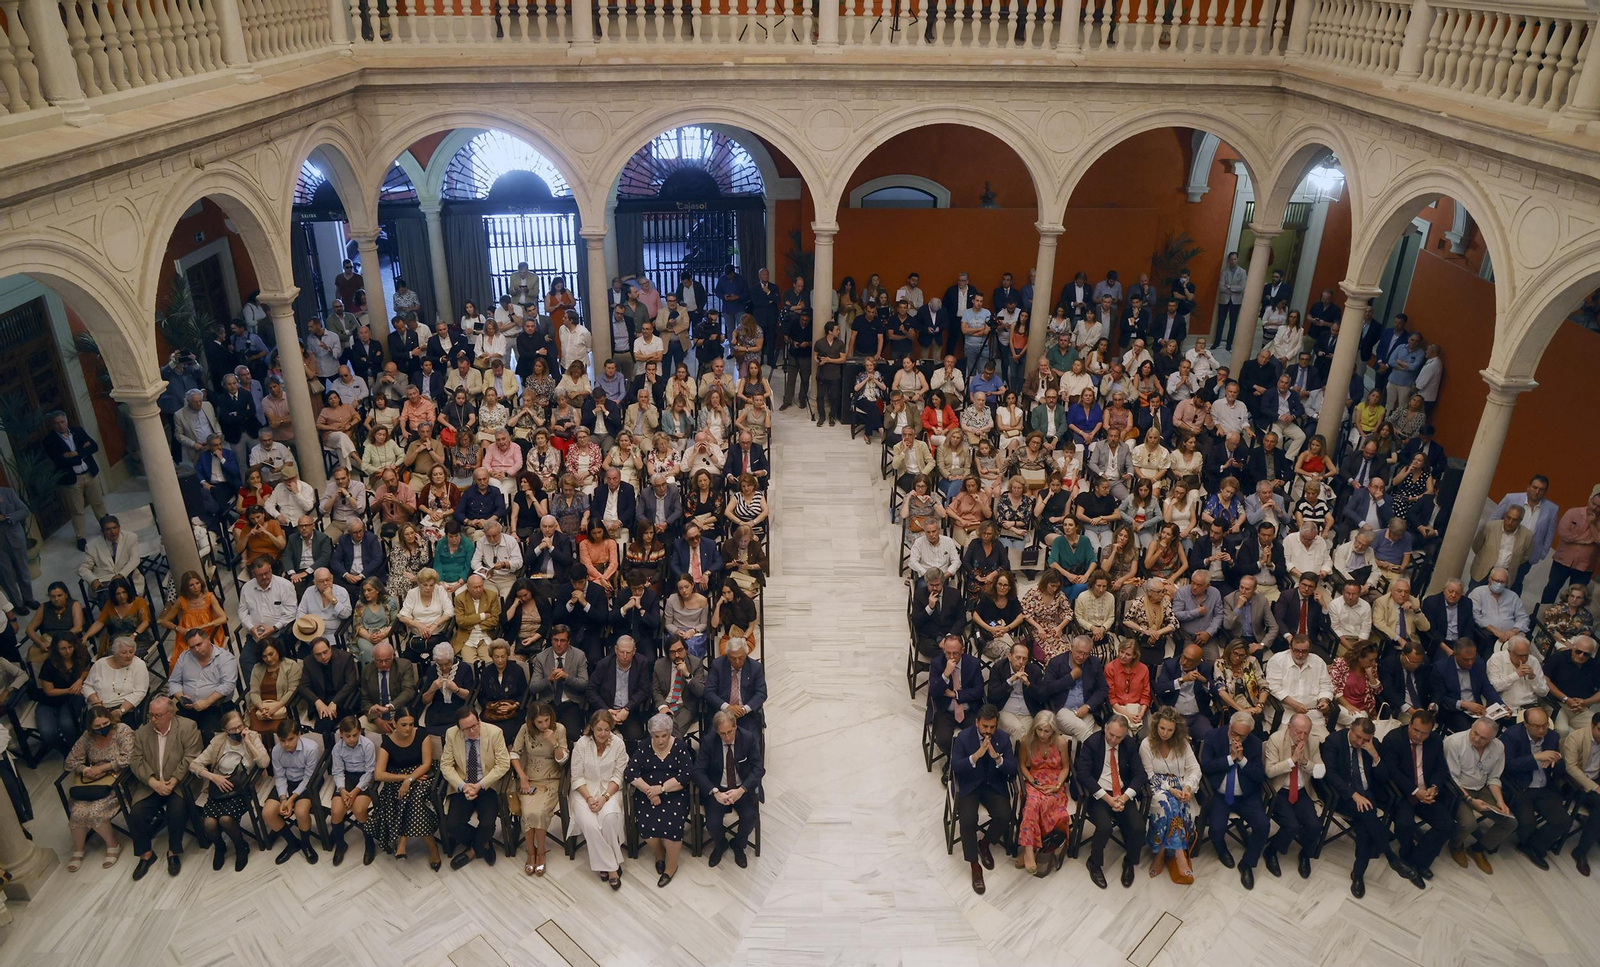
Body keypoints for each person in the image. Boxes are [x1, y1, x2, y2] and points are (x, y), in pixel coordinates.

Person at [1325, 717, 1422, 896]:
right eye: (1358, 737)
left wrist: (1375, 755)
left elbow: (1384, 777)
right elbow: (1331, 775)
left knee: (1364, 828)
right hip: (1345, 795)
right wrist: (1354, 796)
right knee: (1368, 813)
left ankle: (1358, 874)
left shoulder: (1373, 744)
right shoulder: (1334, 741)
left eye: (1365, 739)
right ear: (1351, 729)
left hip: (1368, 793)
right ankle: (1391, 857)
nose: (1360, 742)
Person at [128, 695, 203, 880]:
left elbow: (191, 756)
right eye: (150, 715)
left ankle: (173, 852)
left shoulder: (187, 727)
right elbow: (136, 760)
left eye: (158, 715)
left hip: (180, 783)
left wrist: (174, 780)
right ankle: (146, 854)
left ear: (170, 713)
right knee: (136, 813)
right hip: (152, 784)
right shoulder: (142, 733)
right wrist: (153, 782)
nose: (153, 719)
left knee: (176, 810)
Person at [190, 708, 269, 872]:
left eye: (240, 726)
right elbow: (194, 765)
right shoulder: (218, 742)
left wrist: (248, 743)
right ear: (225, 730)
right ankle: (220, 847)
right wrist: (213, 777)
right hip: (220, 787)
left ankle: (241, 847)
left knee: (226, 820)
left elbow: (264, 763)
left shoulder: (253, 737)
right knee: (209, 823)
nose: (237, 731)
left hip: (243, 787)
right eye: (233, 729)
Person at [1199, 710, 1270, 889]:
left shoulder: (1255, 743)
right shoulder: (1213, 736)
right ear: (1229, 726)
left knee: (1263, 825)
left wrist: (1242, 760)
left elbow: (1259, 776)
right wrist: (1230, 759)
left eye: (1242, 736)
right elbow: (1206, 767)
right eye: (1234, 733)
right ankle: (1221, 849)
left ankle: (1247, 863)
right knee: (1216, 828)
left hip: (1246, 796)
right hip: (1220, 794)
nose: (1237, 738)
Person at [1076, 713, 1146, 889]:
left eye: (1119, 737)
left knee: (1138, 827)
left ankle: (1130, 861)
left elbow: (1140, 774)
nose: (1114, 740)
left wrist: (1124, 797)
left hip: (1121, 793)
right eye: (1111, 735)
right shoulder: (1092, 743)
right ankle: (1094, 862)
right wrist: (1107, 799)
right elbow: (1083, 774)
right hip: (1099, 794)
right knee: (1104, 827)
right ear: (1105, 729)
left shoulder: (1129, 744)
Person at [627, 712, 695, 888]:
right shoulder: (643, 747)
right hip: (648, 794)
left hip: (675, 794)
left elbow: (687, 774)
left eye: (664, 735)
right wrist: (650, 791)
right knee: (646, 826)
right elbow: (630, 772)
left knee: (672, 825)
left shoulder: (679, 746)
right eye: (656, 736)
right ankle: (659, 852)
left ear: (669, 733)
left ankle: (671, 867)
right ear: (651, 735)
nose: (660, 740)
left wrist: (662, 788)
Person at [62, 704, 133, 872]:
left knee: (95, 811)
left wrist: (102, 768)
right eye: (97, 726)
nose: (102, 729)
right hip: (93, 783)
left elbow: (128, 758)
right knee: (78, 811)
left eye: (104, 724)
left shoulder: (122, 731)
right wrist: (86, 769)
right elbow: (70, 761)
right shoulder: (87, 737)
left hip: (117, 781)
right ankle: (79, 850)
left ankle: (112, 846)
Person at [368, 707, 441, 867]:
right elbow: (379, 774)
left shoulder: (421, 734)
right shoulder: (387, 742)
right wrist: (403, 779)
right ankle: (430, 846)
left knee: (415, 799)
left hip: (421, 776)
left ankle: (405, 840)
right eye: (403, 725)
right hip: (397, 778)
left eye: (410, 724)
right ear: (394, 723)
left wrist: (410, 779)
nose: (408, 728)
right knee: (409, 800)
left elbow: (426, 763)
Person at [1444, 717, 1519, 873]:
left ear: (1492, 739)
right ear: (1471, 727)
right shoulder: (1454, 743)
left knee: (1510, 822)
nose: (1476, 738)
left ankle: (1478, 848)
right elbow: (1452, 779)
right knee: (1469, 823)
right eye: (1474, 733)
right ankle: (1456, 845)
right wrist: (1471, 801)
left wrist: (1500, 802)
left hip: (1481, 787)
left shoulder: (1498, 747)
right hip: (1459, 790)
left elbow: (1494, 778)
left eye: (1483, 738)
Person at [439, 707, 510, 870]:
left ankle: (472, 850)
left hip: (487, 784)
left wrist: (480, 785)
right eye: (466, 729)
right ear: (459, 728)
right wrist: (463, 786)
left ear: (479, 721)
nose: (472, 731)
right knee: (452, 825)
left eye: (475, 726)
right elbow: (446, 765)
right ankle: (483, 843)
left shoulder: (494, 733)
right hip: (463, 784)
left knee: (487, 824)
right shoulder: (451, 734)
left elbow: (503, 764)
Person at [1500, 707, 1570, 869]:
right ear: (1525, 724)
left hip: (1543, 786)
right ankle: (1530, 843)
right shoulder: (1511, 736)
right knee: (1527, 822)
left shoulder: (1552, 737)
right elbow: (1507, 765)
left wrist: (1557, 760)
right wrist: (1535, 757)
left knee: (1563, 822)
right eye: (1537, 726)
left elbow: (1558, 768)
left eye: (1545, 725)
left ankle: (1531, 847)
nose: (1541, 730)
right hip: (1519, 787)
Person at [570, 709, 629, 887]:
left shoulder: (619, 744)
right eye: (599, 730)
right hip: (584, 792)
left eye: (606, 730)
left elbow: (619, 776)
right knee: (590, 824)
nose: (603, 734)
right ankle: (612, 867)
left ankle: (605, 864)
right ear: (592, 729)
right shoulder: (581, 744)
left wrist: (604, 798)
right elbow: (576, 777)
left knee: (610, 818)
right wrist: (589, 798)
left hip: (609, 791)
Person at [510, 702, 568, 877]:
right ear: (532, 721)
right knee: (528, 812)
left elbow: (563, 760)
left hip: (551, 779)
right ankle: (531, 852)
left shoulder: (559, 729)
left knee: (540, 813)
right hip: (529, 779)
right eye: (539, 722)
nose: (544, 725)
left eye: (546, 720)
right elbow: (514, 754)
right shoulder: (524, 730)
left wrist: (554, 743)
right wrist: (522, 777)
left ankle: (541, 852)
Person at [44, 411, 106, 549]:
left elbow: (94, 447)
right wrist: (82, 452)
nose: (60, 425)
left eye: (62, 422)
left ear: (67, 421)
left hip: (90, 473)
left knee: (98, 503)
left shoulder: (77, 431)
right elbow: (59, 461)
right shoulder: (49, 440)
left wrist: (75, 453)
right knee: (77, 510)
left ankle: (106, 526)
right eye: (57, 423)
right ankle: (81, 537)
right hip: (71, 480)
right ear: (52, 425)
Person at [1265, 634, 1333, 737]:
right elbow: (1273, 687)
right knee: (1286, 743)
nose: (1300, 655)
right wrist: (1293, 704)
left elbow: (1326, 685)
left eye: (1304, 651)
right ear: (1290, 648)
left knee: (1324, 740)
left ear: (1309, 650)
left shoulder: (1318, 662)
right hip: (1286, 713)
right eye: (1296, 651)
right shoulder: (1277, 660)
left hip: (1312, 714)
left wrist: (1324, 700)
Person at [36, 633, 91, 755]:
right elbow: (49, 691)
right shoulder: (49, 665)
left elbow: (87, 668)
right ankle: (65, 749)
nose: (67, 651)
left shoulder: (81, 656)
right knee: (47, 732)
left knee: (67, 725)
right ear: (56, 649)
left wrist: (80, 680)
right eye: (63, 648)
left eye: (70, 647)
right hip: (49, 702)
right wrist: (71, 689)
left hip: (71, 699)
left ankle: (78, 749)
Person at [1433, 639, 1502, 734]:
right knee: (1473, 732)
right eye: (1466, 659)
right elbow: (1439, 696)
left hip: (1477, 710)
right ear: (1455, 654)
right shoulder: (1441, 667)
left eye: (1472, 658)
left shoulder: (1479, 664)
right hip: (1453, 711)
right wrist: (1463, 704)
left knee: (1494, 729)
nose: (1470, 663)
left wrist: (1501, 706)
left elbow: (1487, 688)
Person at [1561, 716, 1600, 876]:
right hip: (1575, 784)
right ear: (1592, 725)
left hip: (1596, 780)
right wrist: (1595, 787)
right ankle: (1581, 851)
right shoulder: (1576, 738)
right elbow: (1570, 768)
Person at [83, 636, 149, 724]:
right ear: (115, 653)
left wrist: (121, 710)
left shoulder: (139, 665)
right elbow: (87, 686)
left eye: (131, 652)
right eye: (124, 652)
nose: (128, 656)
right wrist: (96, 702)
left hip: (124, 709)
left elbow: (140, 691)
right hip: (99, 708)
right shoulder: (100, 664)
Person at [1485, 635, 1548, 712]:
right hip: (1507, 709)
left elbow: (1544, 692)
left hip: (1530, 707)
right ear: (1509, 651)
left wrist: (1533, 677)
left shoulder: (1533, 661)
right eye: (1520, 656)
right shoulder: (1496, 659)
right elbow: (1494, 687)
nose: (1524, 659)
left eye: (1526, 655)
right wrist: (1516, 675)